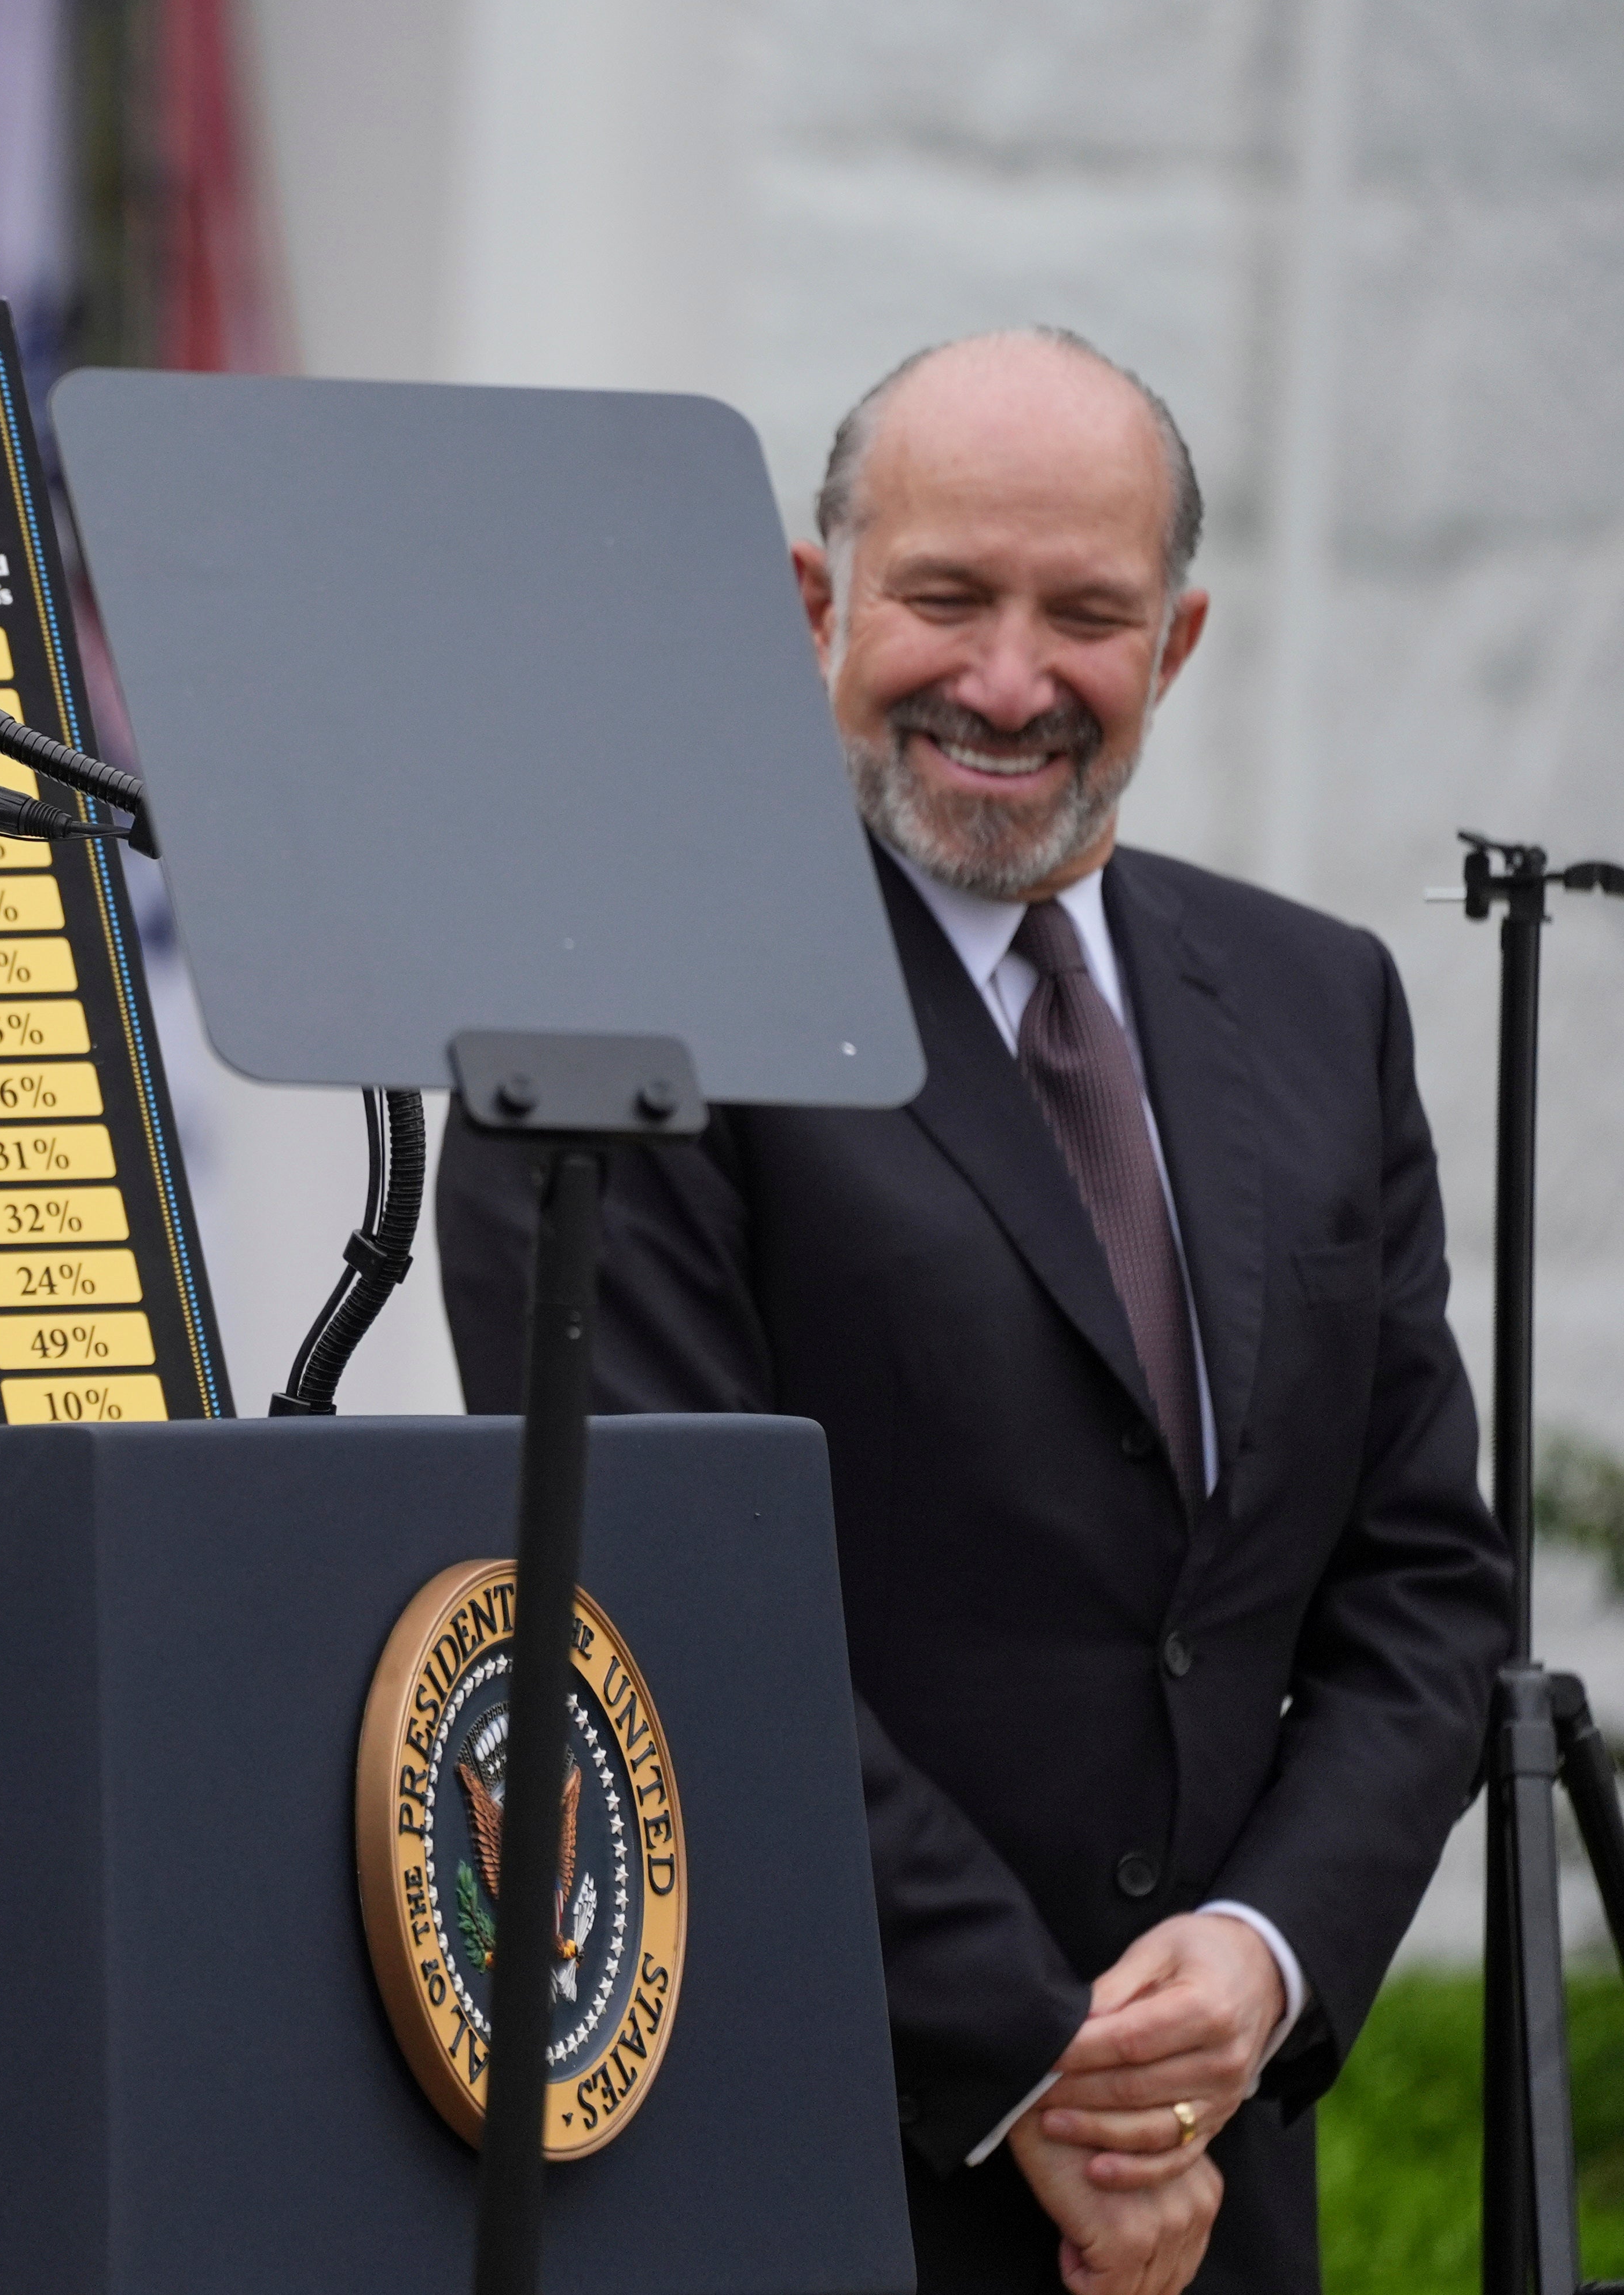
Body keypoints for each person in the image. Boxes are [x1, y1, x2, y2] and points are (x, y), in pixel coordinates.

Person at [437, 329, 1509, 2295]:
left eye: (1085, 616)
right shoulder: (608, 1023)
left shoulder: (1320, 1004)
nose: (1009, 683)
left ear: (1174, 645)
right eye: (945, 598)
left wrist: (1264, 1965)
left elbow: (1424, 1586)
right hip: (792, 2183)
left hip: (1220, 2197)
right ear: (814, 602)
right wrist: (1040, 2068)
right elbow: (658, 1613)